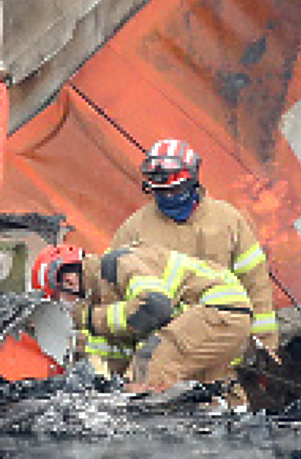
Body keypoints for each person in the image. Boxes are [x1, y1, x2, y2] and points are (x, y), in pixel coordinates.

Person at [112, 138, 278, 354]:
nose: (169, 198)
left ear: (193, 180)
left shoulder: (228, 221)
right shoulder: (133, 231)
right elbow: (112, 298)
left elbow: (256, 287)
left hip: (223, 353)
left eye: (175, 190)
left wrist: (265, 346)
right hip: (162, 357)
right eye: (162, 193)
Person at [30, 241, 252, 389]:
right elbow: (126, 351)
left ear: (68, 282)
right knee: (205, 400)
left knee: (150, 368)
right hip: (213, 320)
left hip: (220, 308)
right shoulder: (106, 295)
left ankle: (141, 450)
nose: (64, 308)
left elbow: (154, 308)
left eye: (58, 299)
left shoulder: (117, 264)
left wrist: (88, 318)